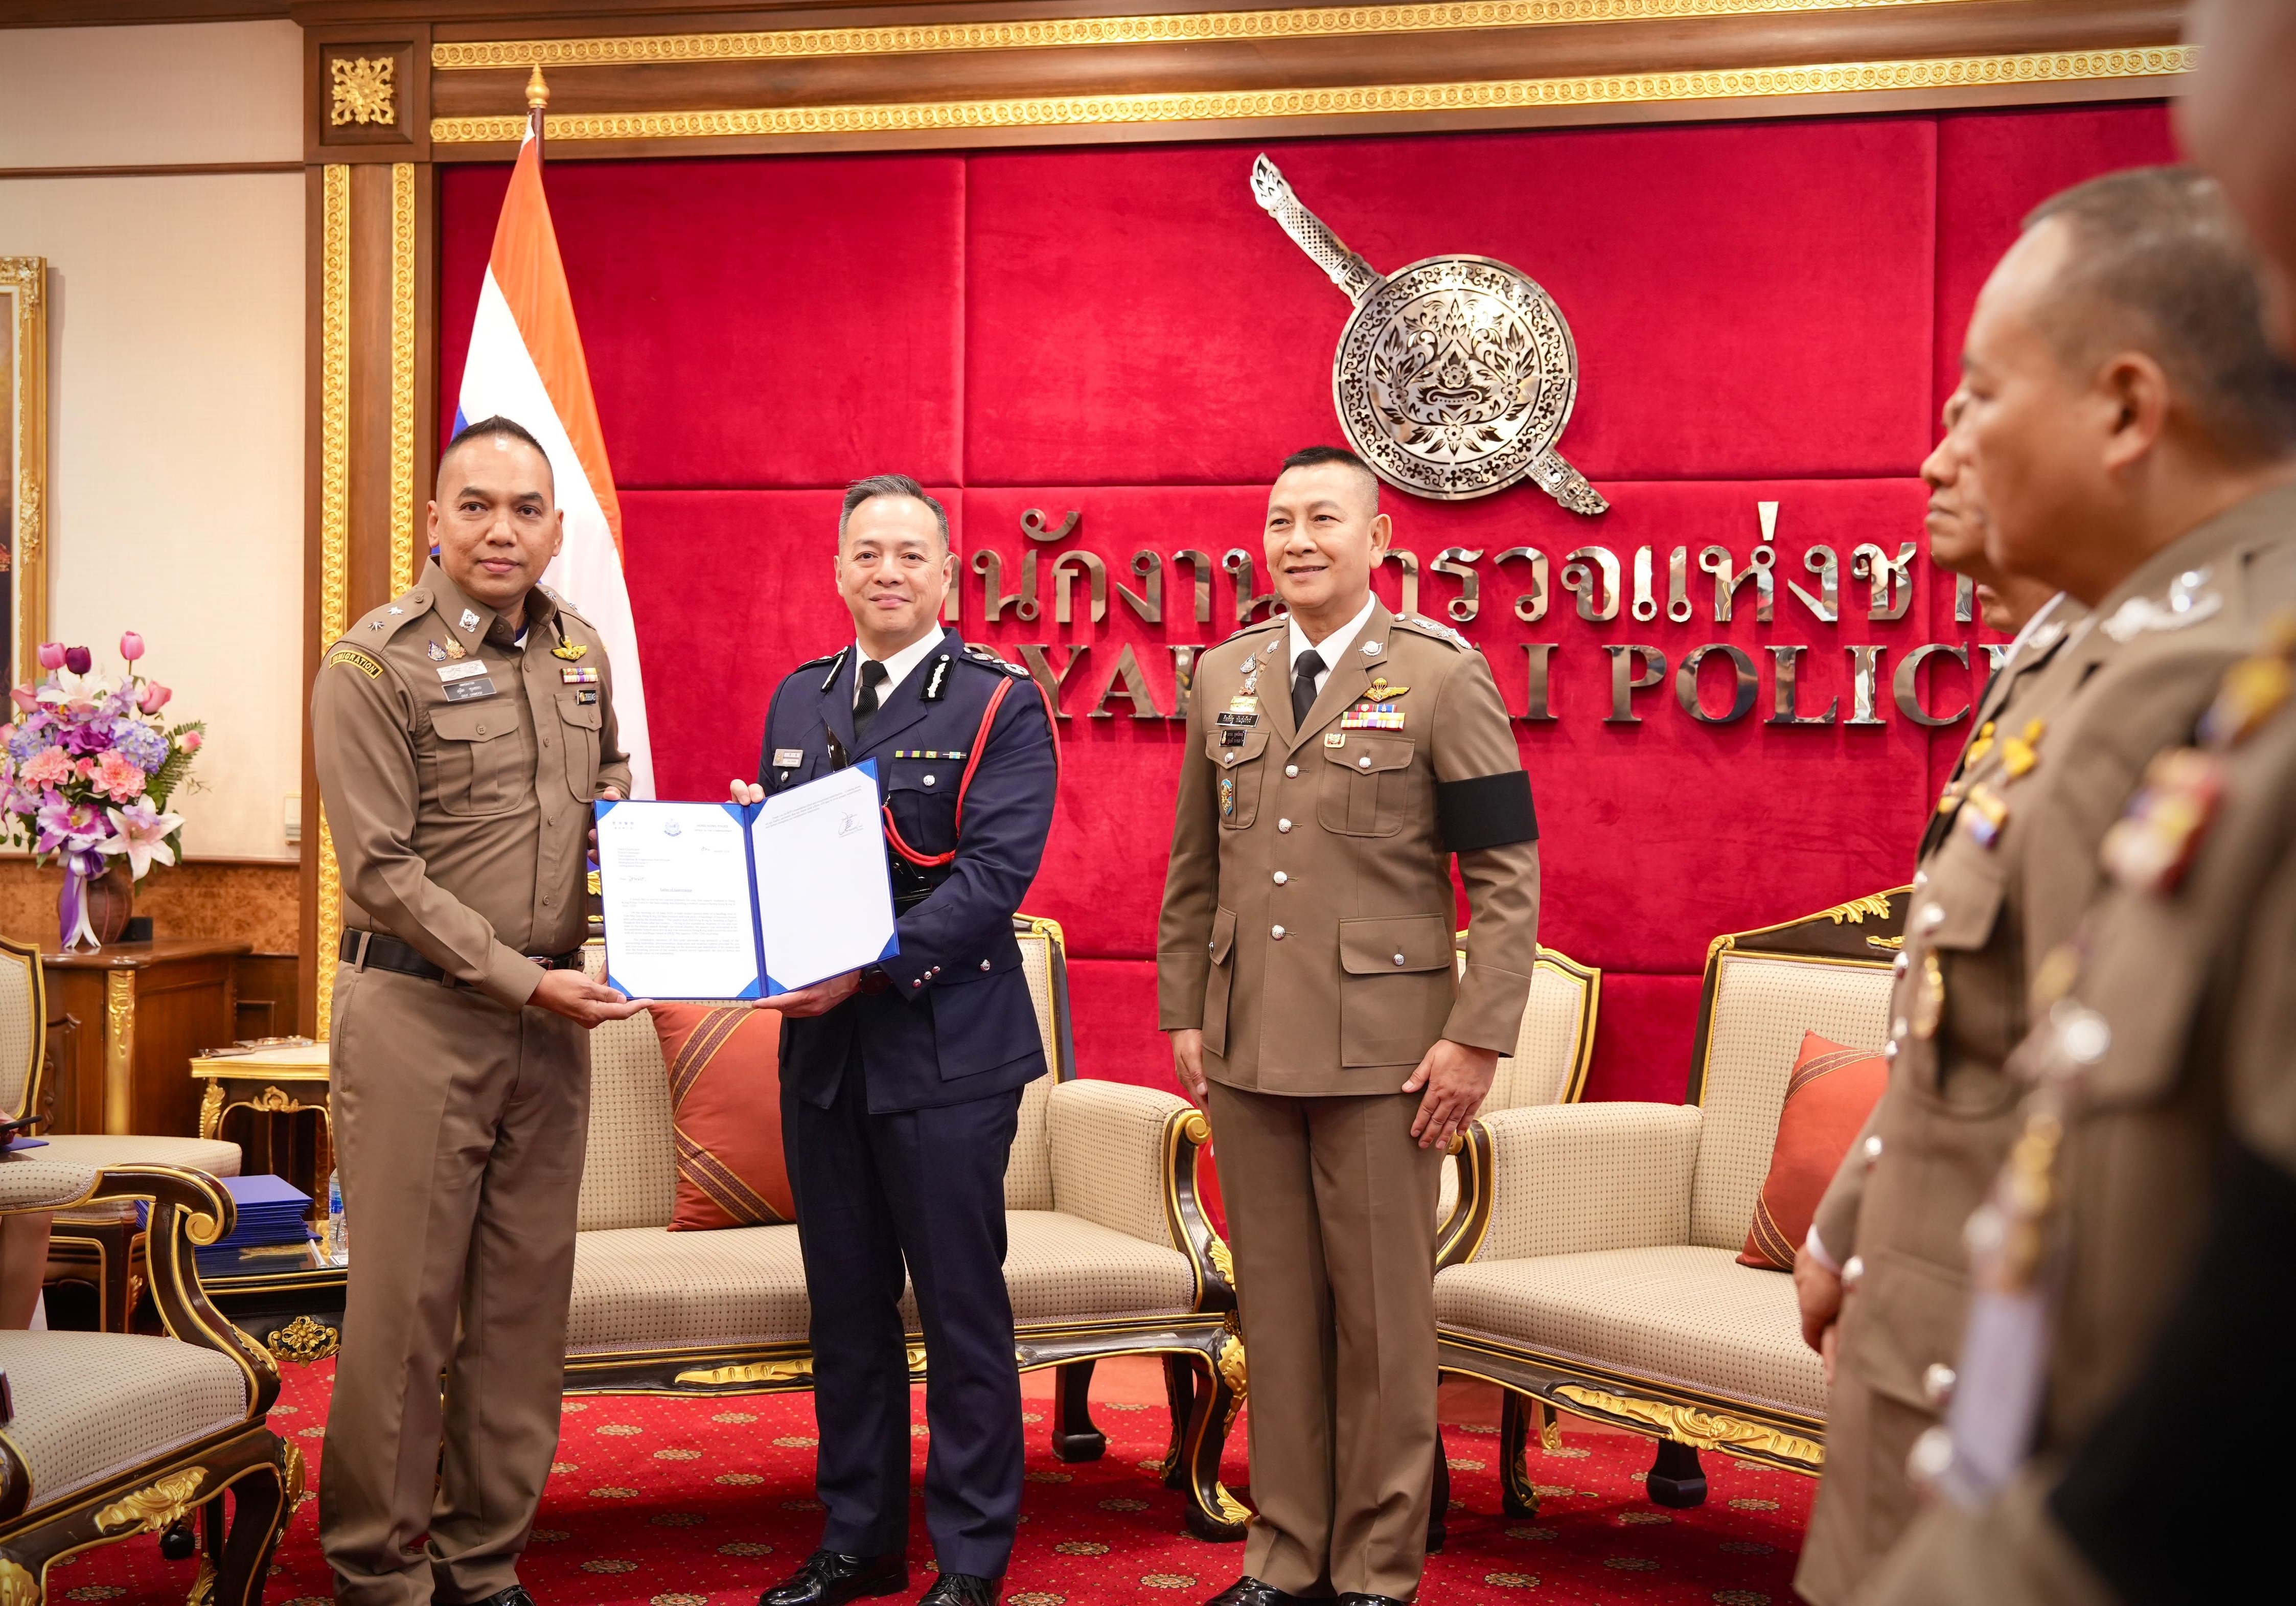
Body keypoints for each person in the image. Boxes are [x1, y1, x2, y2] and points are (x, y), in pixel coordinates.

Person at [1790, 166, 2296, 1606]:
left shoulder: (2191, 674)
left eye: (1982, 395)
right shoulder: (2138, 649)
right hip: (1951, 1371)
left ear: (2126, 410)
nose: (1945, 450)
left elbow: (2156, 1219)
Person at [1157, 445, 1541, 1606]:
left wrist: (1477, 1035)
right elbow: (1194, 864)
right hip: (1248, 1042)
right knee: (1274, 1315)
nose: (1298, 540)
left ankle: (1376, 1566)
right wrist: (1186, 1009)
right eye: (1280, 521)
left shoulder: (1441, 676)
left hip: (1388, 1053)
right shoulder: (1223, 672)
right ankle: (1284, 1554)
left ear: (1377, 538)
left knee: (1380, 1320)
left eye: (1323, 519)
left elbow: (1506, 872)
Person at [313, 414, 648, 1606]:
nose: (501, 529)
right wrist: (521, 976)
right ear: (435, 521)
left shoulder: (580, 650)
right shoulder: (371, 666)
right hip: (420, 1016)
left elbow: (608, 789)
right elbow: (381, 871)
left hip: (552, 1025)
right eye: (477, 505)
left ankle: (479, 1557)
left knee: (520, 1304)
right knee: (405, 1310)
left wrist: (662, 875)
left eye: (525, 509)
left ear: (556, 529)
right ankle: (380, 1569)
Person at [732, 475, 1058, 1606]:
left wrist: (861, 967)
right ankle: (858, 1538)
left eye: (910, 553)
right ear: (837, 569)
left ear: (947, 574)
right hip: (824, 1061)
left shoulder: (999, 703)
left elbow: (992, 878)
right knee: (845, 1307)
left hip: (945, 1047)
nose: (887, 570)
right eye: (866, 551)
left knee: (962, 1311)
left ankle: (969, 1556)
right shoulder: (799, 698)